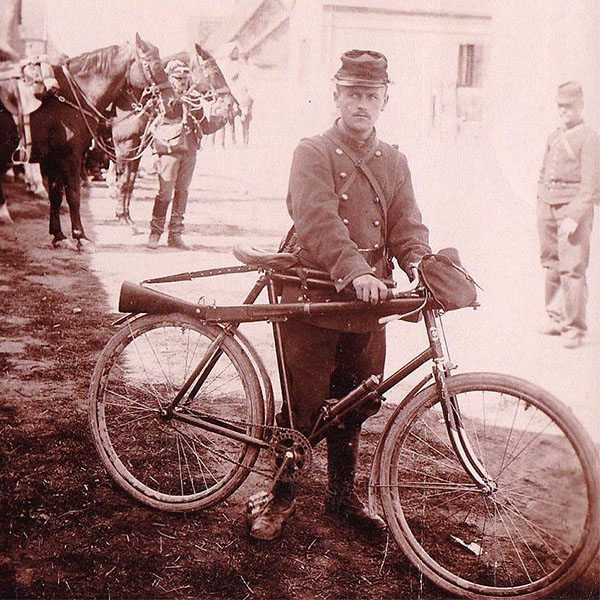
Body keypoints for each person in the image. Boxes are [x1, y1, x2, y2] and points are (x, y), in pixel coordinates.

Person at [248, 49, 432, 540]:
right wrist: (355, 270)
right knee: (304, 403)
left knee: (357, 401)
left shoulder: (394, 160)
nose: (362, 104)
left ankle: (340, 495)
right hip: (314, 294)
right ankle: (281, 495)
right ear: (336, 96)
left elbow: (407, 225)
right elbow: (316, 220)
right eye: (353, 94)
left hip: (366, 303)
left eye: (372, 96)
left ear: (385, 101)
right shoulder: (312, 151)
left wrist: (419, 263)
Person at [536, 81, 599, 349]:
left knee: (572, 269)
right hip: (548, 206)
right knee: (551, 263)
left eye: (569, 106)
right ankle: (555, 316)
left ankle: (574, 327)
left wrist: (574, 215)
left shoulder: (589, 137)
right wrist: (541, 202)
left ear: (581, 105)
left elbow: (591, 185)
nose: (564, 111)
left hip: (572, 210)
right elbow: (543, 172)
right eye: (560, 106)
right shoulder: (554, 135)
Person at [148, 60, 227, 250]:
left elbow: (205, 127)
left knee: (182, 192)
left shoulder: (194, 99)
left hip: (190, 150)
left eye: (184, 78)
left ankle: (175, 235)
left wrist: (221, 117)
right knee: (165, 193)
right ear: (169, 78)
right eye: (177, 78)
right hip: (169, 151)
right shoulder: (163, 99)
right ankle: (155, 233)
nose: (182, 82)